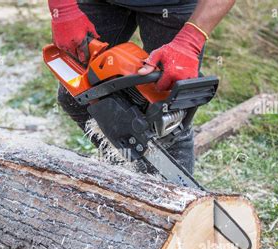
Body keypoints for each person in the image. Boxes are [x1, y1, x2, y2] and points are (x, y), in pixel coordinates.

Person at [48, 0, 235, 174]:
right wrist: (63, 10)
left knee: (165, 121)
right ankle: (127, 171)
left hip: (172, 4)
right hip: (102, 2)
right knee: (77, 95)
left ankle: (171, 199)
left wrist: (190, 41)